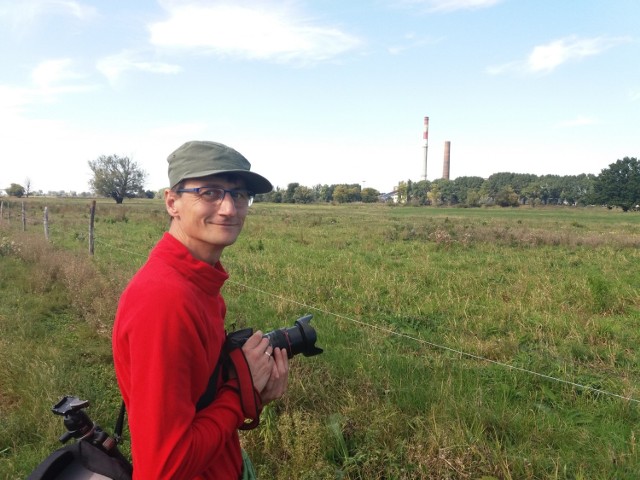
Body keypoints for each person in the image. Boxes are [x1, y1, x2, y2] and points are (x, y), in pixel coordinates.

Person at [112, 140, 289, 479]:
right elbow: (162, 469)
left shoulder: (199, 282)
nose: (229, 209)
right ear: (172, 202)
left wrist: (252, 391)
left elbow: (202, 402)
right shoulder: (164, 301)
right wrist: (241, 391)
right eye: (209, 192)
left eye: (239, 195)